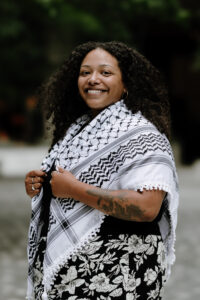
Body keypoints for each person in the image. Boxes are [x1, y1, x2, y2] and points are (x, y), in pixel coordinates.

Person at [25, 41, 179, 300]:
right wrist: (40, 184)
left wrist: (74, 189)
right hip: (72, 274)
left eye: (105, 72)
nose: (93, 79)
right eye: (85, 72)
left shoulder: (141, 135)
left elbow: (147, 208)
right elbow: (64, 187)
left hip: (117, 273)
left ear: (126, 83)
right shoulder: (78, 132)